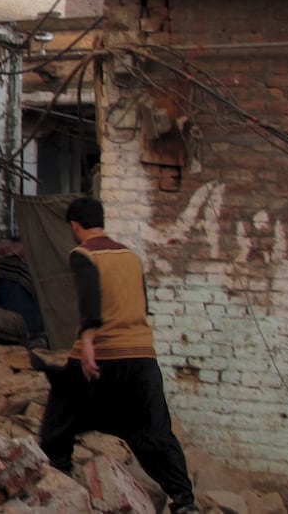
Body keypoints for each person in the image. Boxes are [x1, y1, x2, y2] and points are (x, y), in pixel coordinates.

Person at [37, 196, 198, 514]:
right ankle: (184, 501)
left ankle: (59, 476)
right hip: (142, 356)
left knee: (61, 412)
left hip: (104, 351)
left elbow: (90, 300)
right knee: (154, 432)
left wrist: (88, 342)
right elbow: (143, 304)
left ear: (75, 225)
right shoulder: (131, 257)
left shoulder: (83, 255)